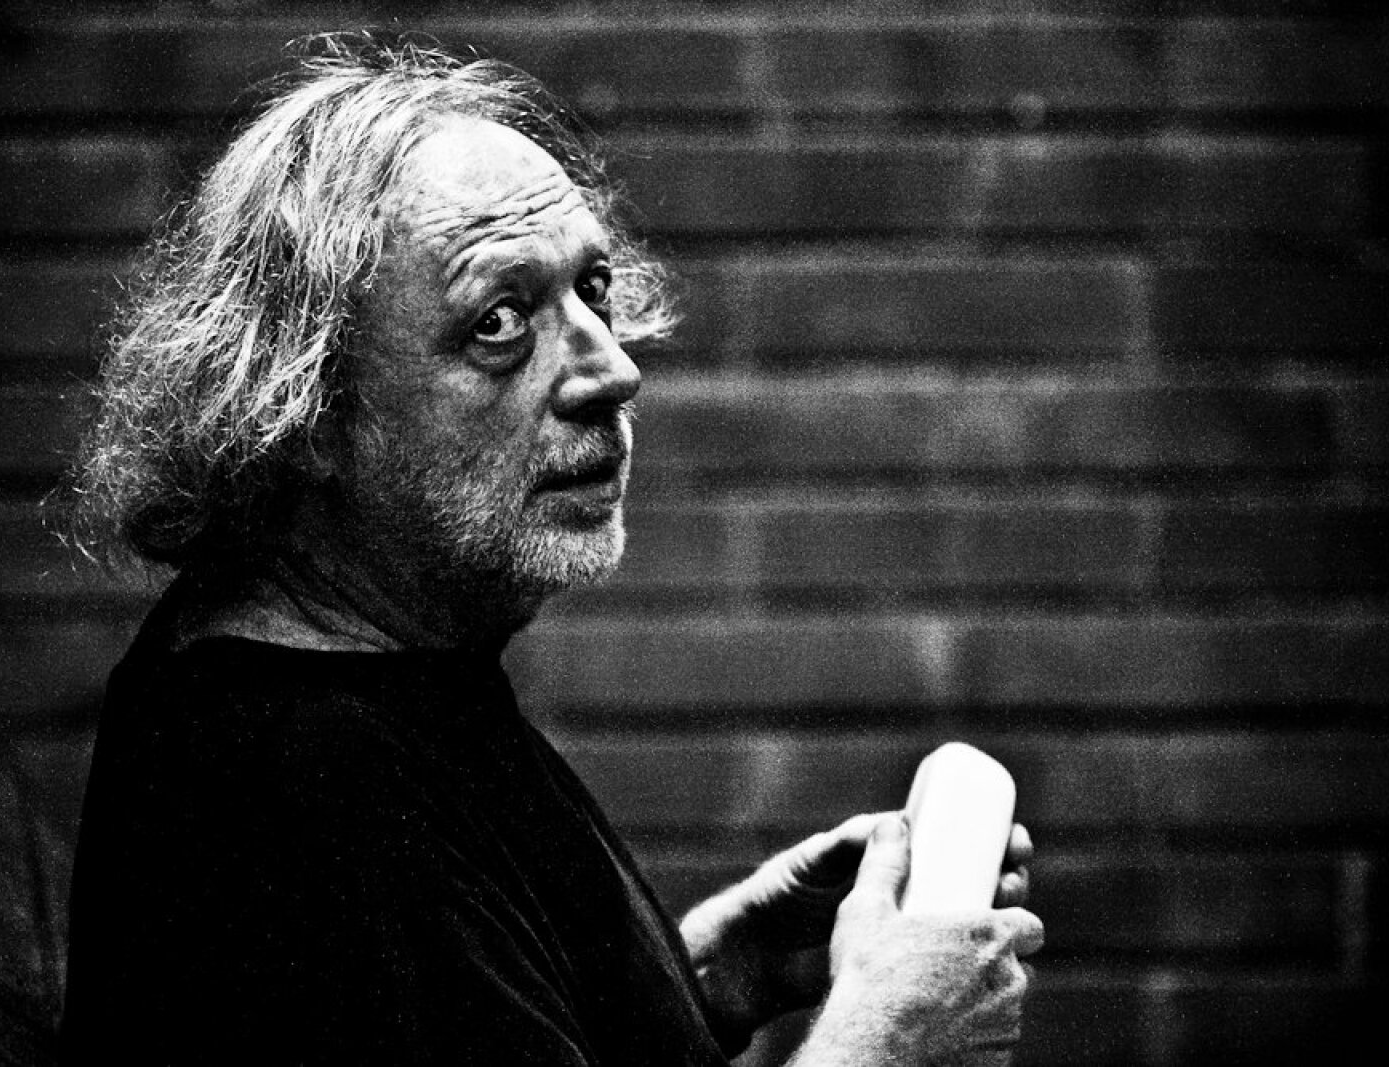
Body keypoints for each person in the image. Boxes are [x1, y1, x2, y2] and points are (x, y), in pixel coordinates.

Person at [57, 30, 1044, 1065]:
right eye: (498, 320)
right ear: (302, 410)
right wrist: (885, 1039)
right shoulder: (305, 795)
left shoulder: (361, 674)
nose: (611, 369)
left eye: (595, 289)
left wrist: (714, 972)